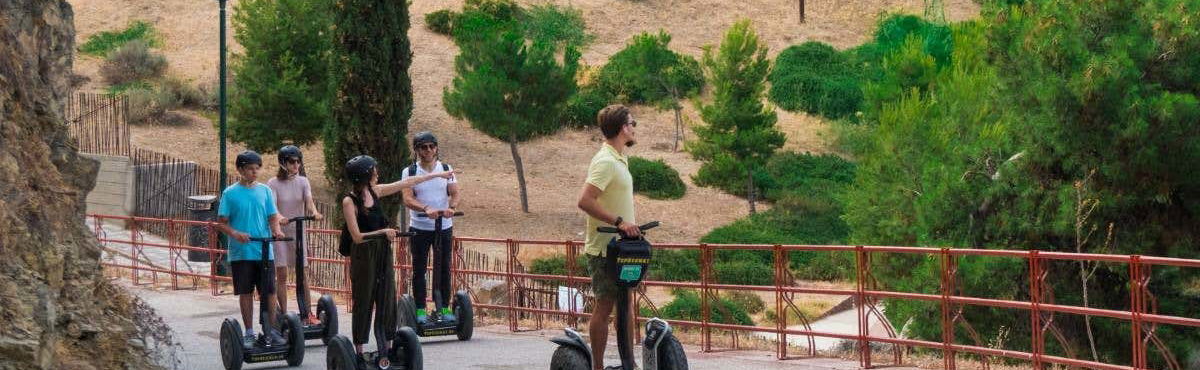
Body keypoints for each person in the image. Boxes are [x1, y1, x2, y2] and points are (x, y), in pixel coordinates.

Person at [341, 155, 456, 365]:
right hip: (364, 255)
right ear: (365, 175)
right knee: (364, 300)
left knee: (387, 297)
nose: (377, 173)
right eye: (373, 170)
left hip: (383, 251)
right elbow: (356, 236)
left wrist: (439, 174)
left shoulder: (375, 192)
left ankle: (389, 348)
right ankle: (358, 351)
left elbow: (406, 183)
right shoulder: (349, 201)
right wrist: (382, 231)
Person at [576, 105, 642, 370]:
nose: (635, 127)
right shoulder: (605, 160)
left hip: (624, 247)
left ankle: (630, 364)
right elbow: (584, 201)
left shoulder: (619, 158)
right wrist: (618, 222)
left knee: (626, 304)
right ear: (623, 128)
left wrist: (630, 225)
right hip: (604, 248)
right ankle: (598, 366)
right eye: (632, 123)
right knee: (605, 304)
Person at [215, 150, 287, 346]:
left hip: (264, 251)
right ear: (240, 170)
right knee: (246, 292)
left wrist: (277, 231)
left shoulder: (264, 190)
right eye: (250, 169)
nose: (254, 172)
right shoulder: (230, 193)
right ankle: (248, 332)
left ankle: (270, 331)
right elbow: (221, 223)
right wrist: (236, 234)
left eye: (257, 169)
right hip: (242, 253)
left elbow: (272, 217)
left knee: (270, 292)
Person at [400, 131, 461, 324]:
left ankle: (443, 307)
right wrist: (425, 208)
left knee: (443, 267)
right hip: (420, 226)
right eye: (423, 147)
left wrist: (451, 207)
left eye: (431, 146)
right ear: (417, 150)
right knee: (419, 269)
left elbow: (455, 193)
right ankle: (419, 310)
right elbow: (408, 198)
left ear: (436, 148)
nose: (428, 150)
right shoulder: (409, 172)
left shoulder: (446, 168)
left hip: (443, 226)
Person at [267, 145, 324, 325]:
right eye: (292, 162)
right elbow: (273, 206)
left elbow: (308, 200)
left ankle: (307, 314)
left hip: (298, 230)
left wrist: (314, 212)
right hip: (281, 231)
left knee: (302, 273)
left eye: (298, 161)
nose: (296, 165)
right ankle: (283, 314)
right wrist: (280, 217)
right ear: (283, 163)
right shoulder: (273, 183)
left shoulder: (303, 181)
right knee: (282, 273)